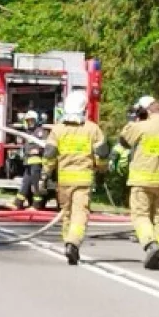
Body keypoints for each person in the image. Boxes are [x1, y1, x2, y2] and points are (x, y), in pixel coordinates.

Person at [39, 90, 110, 265]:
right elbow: (101, 154)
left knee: (67, 214)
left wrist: (45, 175)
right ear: (84, 109)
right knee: (80, 214)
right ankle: (73, 242)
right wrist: (102, 170)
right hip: (83, 180)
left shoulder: (58, 130)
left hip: (64, 181)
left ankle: (68, 243)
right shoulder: (92, 129)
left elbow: (49, 155)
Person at [117, 96, 159, 270]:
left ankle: (150, 244)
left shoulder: (139, 127)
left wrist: (133, 121)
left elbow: (123, 142)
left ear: (143, 110)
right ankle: (157, 251)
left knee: (140, 216)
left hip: (142, 181)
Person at [10, 110, 47, 210]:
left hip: (36, 163)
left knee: (35, 185)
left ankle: (36, 205)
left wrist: (38, 150)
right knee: (25, 184)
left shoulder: (39, 132)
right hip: (28, 162)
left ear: (36, 121)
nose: (30, 123)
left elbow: (44, 145)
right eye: (28, 121)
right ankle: (18, 203)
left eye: (32, 121)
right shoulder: (28, 133)